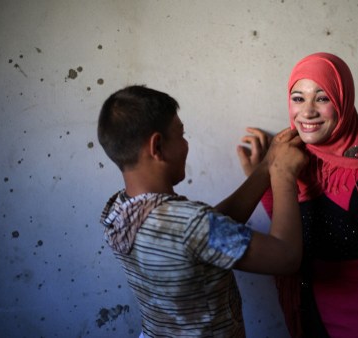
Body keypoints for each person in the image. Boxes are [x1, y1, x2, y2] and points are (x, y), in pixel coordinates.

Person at [97, 85, 307, 337]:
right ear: (158, 146)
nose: (186, 144)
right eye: (181, 134)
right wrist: (283, 174)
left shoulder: (119, 211)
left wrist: (265, 167)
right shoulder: (190, 225)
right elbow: (286, 258)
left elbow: (207, 234)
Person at [237, 53, 358, 338]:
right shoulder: (298, 162)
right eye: (298, 98)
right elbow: (293, 237)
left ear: (343, 102)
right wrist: (262, 176)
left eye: (322, 98)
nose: (307, 111)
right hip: (311, 324)